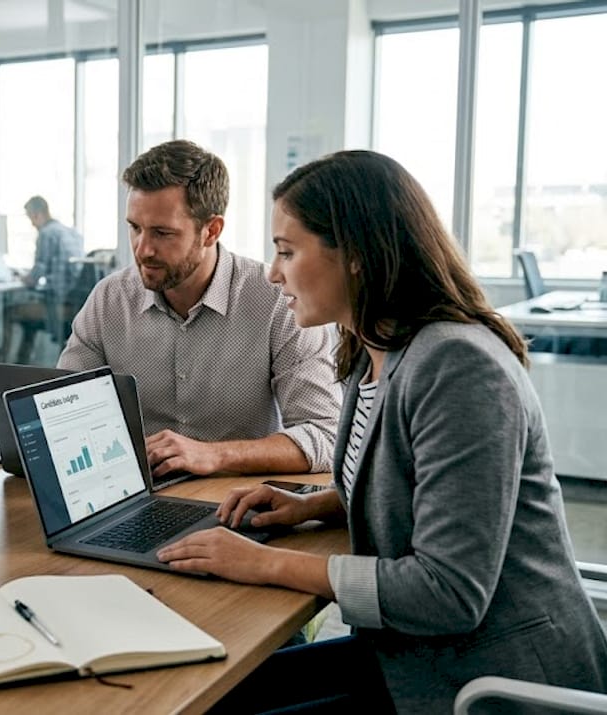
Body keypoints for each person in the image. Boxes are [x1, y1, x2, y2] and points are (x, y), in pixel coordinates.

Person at [158, 150, 607, 713]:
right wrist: (313, 505)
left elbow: (447, 592)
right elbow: (413, 489)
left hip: (493, 682)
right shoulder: (374, 351)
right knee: (217, 693)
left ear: (355, 256)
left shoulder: (458, 366)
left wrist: (262, 562)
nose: (272, 273)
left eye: (287, 251)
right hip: (409, 654)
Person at [59, 140, 339, 477]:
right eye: (135, 228)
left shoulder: (277, 302)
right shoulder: (109, 300)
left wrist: (215, 455)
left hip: (233, 497)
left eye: (162, 233)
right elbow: (61, 414)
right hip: (135, 492)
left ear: (211, 231)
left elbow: (325, 435)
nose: (143, 249)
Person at [1, 196, 84, 363]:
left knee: (8, 311)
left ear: (37, 215)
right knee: (28, 324)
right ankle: (22, 365)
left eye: (30, 218)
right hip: (75, 306)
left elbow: (36, 275)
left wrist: (22, 277)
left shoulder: (46, 233)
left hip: (56, 306)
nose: (32, 224)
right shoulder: (72, 233)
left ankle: (5, 363)